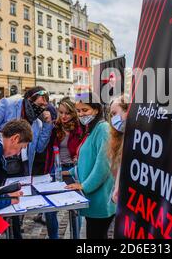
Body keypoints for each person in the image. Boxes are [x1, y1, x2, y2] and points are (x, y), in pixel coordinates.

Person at [0, 86, 54, 239]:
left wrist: (47, 125)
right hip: (1, 163)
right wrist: (7, 141)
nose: (41, 108)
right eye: (39, 104)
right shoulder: (7, 105)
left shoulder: (37, 123)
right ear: (28, 99)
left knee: (17, 202)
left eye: (44, 106)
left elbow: (40, 147)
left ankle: (16, 233)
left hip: (22, 166)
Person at [65, 92, 116, 239]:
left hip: (100, 199)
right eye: (78, 111)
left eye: (85, 110)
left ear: (96, 110)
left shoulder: (103, 129)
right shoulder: (90, 129)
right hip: (92, 198)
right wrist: (69, 172)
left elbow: (103, 165)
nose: (81, 114)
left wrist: (84, 186)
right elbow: (87, 161)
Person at [38, 97, 84, 239]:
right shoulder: (54, 127)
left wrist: (78, 156)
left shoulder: (80, 128)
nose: (63, 116)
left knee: (75, 208)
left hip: (73, 169)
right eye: (61, 112)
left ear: (73, 113)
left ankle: (76, 237)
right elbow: (44, 148)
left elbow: (84, 148)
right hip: (56, 169)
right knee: (50, 209)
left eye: (67, 113)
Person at [107, 95, 129, 204]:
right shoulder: (120, 138)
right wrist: (117, 188)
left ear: (127, 110)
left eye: (114, 113)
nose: (113, 119)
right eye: (111, 115)